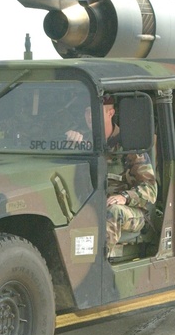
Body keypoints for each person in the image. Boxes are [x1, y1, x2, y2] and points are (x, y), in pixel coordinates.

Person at [66, 97, 157, 256]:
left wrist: (124, 197)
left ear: (111, 113)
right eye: (88, 112)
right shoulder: (84, 143)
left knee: (113, 211)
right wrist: (69, 147)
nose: (90, 116)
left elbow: (150, 190)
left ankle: (97, 264)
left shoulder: (129, 145)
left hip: (131, 212)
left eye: (95, 111)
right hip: (94, 207)